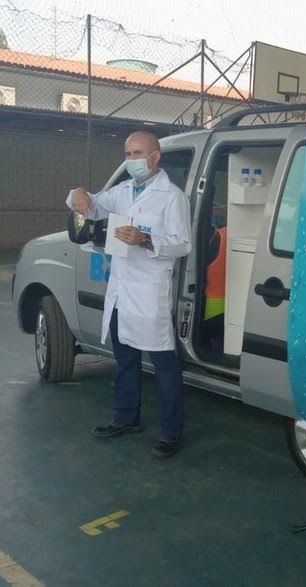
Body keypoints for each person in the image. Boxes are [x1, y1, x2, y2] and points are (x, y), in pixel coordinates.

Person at [66, 131, 192, 459]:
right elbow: (91, 206)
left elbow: (183, 244)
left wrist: (145, 240)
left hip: (149, 294)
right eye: (128, 154)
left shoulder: (172, 197)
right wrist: (77, 192)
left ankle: (171, 431)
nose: (132, 159)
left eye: (138, 153)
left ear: (155, 157)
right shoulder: (122, 192)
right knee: (124, 360)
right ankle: (125, 418)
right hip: (121, 291)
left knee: (164, 366)